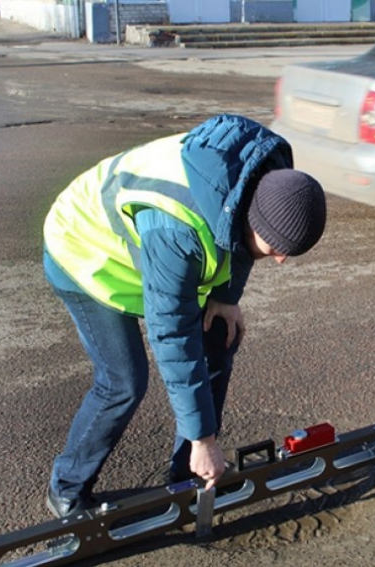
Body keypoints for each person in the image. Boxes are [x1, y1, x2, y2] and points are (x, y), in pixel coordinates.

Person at [42, 114, 327, 518]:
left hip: (156, 248)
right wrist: (204, 437)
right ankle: (66, 487)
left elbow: (241, 236)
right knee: (123, 382)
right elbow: (172, 333)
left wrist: (227, 296)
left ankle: (186, 476)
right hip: (86, 251)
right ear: (254, 218)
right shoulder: (178, 231)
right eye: (276, 248)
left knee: (220, 336)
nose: (280, 259)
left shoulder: (261, 179)